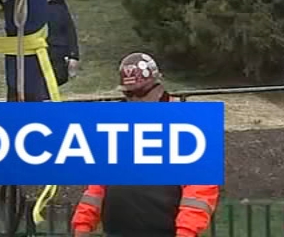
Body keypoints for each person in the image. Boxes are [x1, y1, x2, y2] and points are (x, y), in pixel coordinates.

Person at [71, 53, 219, 237]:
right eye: (129, 94)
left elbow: (199, 191)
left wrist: (186, 232)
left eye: (141, 92)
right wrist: (83, 224)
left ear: (158, 88)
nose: (135, 100)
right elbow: (97, 186)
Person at [45, 0, 79, 86]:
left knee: (58, 78)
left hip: (57, 51)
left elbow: (69, 29)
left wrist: (74, 55)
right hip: (36, 50)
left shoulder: (58, 5)